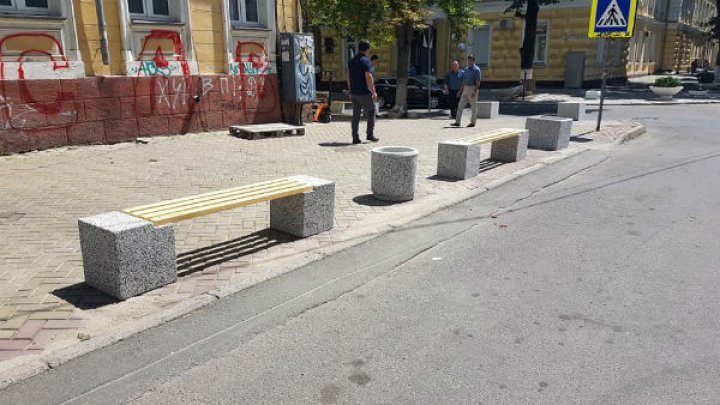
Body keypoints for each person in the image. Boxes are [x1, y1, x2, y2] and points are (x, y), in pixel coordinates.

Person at [347, 41, 379, 144]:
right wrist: (373, 92)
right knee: (371, 111)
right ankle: (369, 135)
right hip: (364, 93)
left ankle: (355, 137)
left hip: (354, 93)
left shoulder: (351, 61)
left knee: (356, 115)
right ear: (367, 50)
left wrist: (350, 89)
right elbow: (368, 77)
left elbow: (348, 77)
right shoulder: (366, 61)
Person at [451, 55, 482, 128]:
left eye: (470, 61)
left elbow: (478, 82)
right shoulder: (466, 69)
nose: (469, 62)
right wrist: (460, 90)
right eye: (468, 61)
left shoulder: (477, 70)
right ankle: (457, 122)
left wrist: (475, 91)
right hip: (465, 88)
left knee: (473, 106)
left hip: (472, 88)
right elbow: (464, 81)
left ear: (474, 61)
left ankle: (473, 122)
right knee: (460, 105)